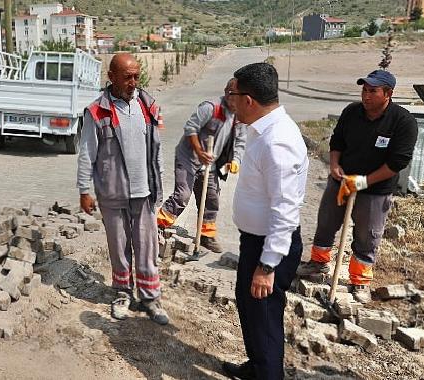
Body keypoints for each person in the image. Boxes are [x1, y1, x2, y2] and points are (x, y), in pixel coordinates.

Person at [296, 70, 418, 304]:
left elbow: (397, 163)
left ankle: (359, 281)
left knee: (367, 234)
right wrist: (334, 166)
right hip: (341, 181)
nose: (366, 95)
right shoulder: (352, 112)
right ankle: (318, 263)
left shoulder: (403, 122)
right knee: (326, 222)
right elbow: (337, 141)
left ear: (388, 94)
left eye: (372, 91)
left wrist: (363, 182)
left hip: (375, 189)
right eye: (364, 89)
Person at [223, 63, 308, 380]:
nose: (230, 101)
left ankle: (268, 372)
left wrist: (267, 266)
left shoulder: (277, 142)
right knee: (250, 307)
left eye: (234, 95)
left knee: (265, 318)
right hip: (256, 242)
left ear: (249, 100)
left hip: (270, 247)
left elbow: (284, 211)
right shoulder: (264, 129)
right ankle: (257, 367)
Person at [77, 53, 168, 325]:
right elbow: (86, 153)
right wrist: (84, 189)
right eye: (127, 77)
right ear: (111, 77)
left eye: (136, 76)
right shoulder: (97, 111)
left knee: (147, 246)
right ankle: (122, 293)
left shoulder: (149, 106)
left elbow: (157, 149)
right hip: (112, 192)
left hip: (145, 192)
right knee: (119, 247)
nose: (133, 82)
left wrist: (160, 183)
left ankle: (150, 296)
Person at [156, 78, 246, 253]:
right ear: (228, 93)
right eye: (234, 94)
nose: (238, 100)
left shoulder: (239, 116)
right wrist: (199, 152)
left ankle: (206, 235)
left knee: (211, 198)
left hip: (210, 165)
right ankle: (158, 225)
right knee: (183, 195)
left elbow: (241, 141)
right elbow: (191, 128)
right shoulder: (211, 108)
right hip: (188, 159)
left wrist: (236, 160)